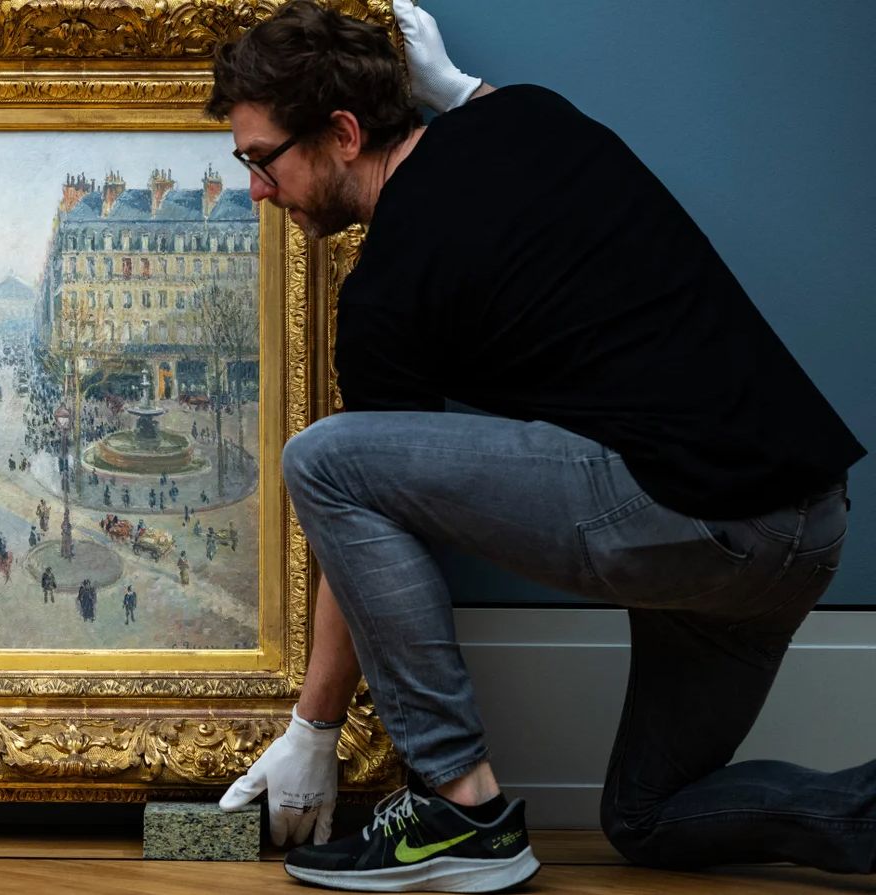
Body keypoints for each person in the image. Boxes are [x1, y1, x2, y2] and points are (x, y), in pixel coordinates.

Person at [208, 2, 868, 892]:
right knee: (647, 817)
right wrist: (463, 91)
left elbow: (353, 507)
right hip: (808, 528)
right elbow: (496, 121)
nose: (256, 188)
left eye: (262, 159)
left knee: (321, 456)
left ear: (344, 133)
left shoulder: (385, 296)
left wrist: (312, 730)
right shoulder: (526, 114)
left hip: (701, 519)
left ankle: (462, 808)